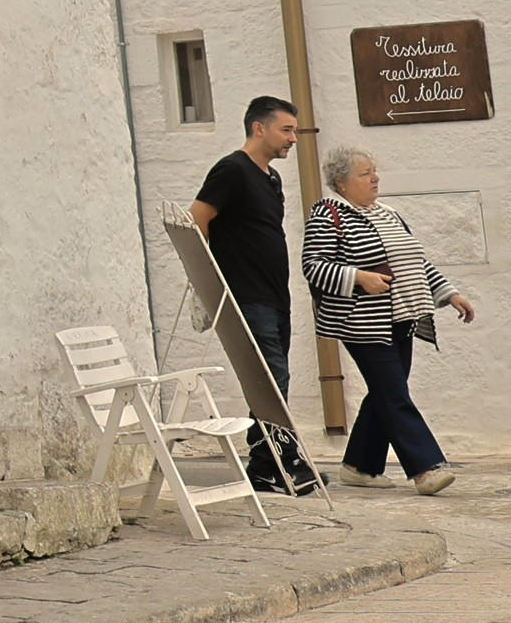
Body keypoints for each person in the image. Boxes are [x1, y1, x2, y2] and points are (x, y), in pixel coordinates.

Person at [303, 150, 473, 495]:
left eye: (375, 171)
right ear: (342, 184)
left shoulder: (389, 214)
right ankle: (426, 468)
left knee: (385, 391)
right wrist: (359, 277)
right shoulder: (329, 214)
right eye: (365, 174)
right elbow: (314, 265)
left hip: (403, 316)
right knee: (393, 393)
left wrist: (449, 294)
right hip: (362, 322)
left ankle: (359, 467)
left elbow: (416, 263)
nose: (375, 178)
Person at [191, 97, 316, 492]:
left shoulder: (270, 178)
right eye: (286, 129)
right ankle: (274, 464)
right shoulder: (232, 170)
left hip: (275, 296)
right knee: (270, 378)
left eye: (294, 130)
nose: (293, 138)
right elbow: (196, 219)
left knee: (277, 378)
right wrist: (213, 281)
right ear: (259, 128)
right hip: (247, 295)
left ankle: (269, 465)